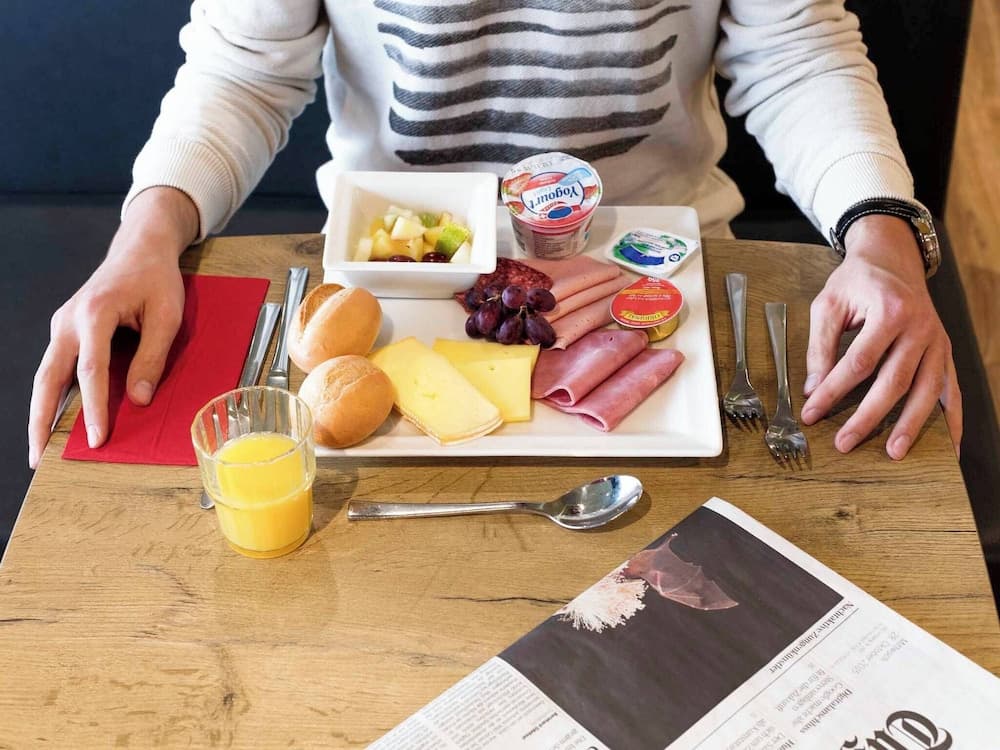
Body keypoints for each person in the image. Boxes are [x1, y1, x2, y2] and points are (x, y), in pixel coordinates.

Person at [27, 0, 961, 468]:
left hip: (667, 278)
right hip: (390, 288)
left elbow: (796, 52)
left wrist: (881, 236)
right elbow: (244, 69)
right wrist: (146, 235)